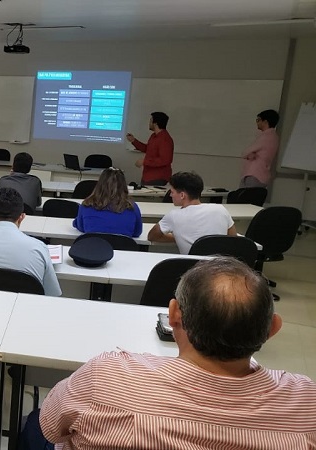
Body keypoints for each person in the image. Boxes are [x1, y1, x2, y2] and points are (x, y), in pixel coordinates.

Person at [22, 257, 316, 450]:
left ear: (173, 314)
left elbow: (51, 428)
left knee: (34, 423)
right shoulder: (307, 404)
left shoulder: (107, 374)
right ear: (272, 329)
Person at [148, 171, 236, 254]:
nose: (170, 195)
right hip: (221, 266)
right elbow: (233, 239)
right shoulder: (221, 209)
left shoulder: (174, 215)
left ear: (182, 195)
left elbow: (152, 236)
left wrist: (178, 238)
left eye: (172, 192)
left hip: (193, 267)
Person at [73, 167, 142, 237]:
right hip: (122, 247)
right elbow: (137, 232)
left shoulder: (86, 205)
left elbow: (81, 227)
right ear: (124, 186)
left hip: (94, 247)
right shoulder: (132, 207)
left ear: (99, 184)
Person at [126, 112, 174, 186]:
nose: (149, 123)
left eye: (151, 121)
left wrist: (145, 161)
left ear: (155, 123)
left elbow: (165, 160)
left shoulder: (165, 139)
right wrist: (133, 141)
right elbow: (147, 149)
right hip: (148, 176)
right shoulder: (153, 136)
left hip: (158, 178)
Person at [240, 109, 280, 189]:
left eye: (258, 120)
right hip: (263, 175)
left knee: (244, 199)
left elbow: (245, 153)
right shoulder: (274, 136)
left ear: (265, 122)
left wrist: (250, 154)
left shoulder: (266, 136)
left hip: (254, 174)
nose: (257, 123)